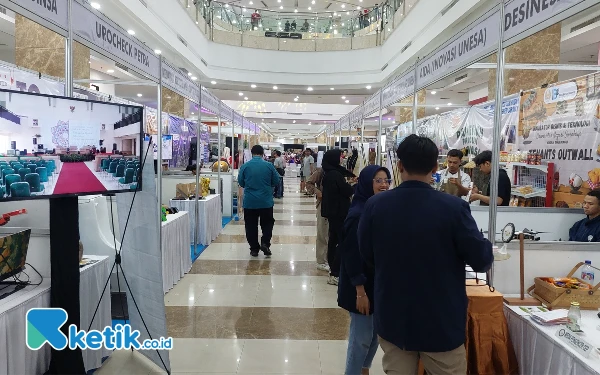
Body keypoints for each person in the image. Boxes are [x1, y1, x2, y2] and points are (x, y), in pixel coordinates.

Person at [358, 134, 493, 375]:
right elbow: (481, 260)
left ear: (399, 166)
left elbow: (367, 255)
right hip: (440, 320)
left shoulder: (375, 206)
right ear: (435, 167)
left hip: (394, 315)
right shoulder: (453, 208)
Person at [339, 165, 391, 375]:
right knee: (360, 337)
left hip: (376, 282)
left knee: (374, 335)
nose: (384, 184)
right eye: (378, 180)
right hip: (360, 285)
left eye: (386, 180)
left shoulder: (378, 209)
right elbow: (351, 255)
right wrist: (360, 291)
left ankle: (363, 370)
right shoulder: (358, 214)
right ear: (366, 183)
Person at [238, 145, 280, 257]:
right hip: (265, 201)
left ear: (252, 153)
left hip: (250, 202)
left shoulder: (245, 166)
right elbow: (276, 180)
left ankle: (254, 249)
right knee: (267, 224)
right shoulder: (269, 166)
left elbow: (241, 183)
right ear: (262, 154)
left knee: (250, 225)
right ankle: (265, 243)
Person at [321, 149, 356, 286]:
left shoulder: (330, 173)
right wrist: (354, 185)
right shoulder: (335, 174)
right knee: (341, 243)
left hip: (333, 212)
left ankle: (333, 269)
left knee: (334, 240)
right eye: (340, 157)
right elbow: (346, 191)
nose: (342, 158)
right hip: (339, 213)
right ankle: (335, 273)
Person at [306, 166, 329, 272]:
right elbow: (309, 182)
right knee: (322, 233)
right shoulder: (321, 171)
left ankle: (330, 258)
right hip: (323, 204)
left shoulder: (340, 170)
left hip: (337, 206)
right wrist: (317, 192)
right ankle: (321, 261)